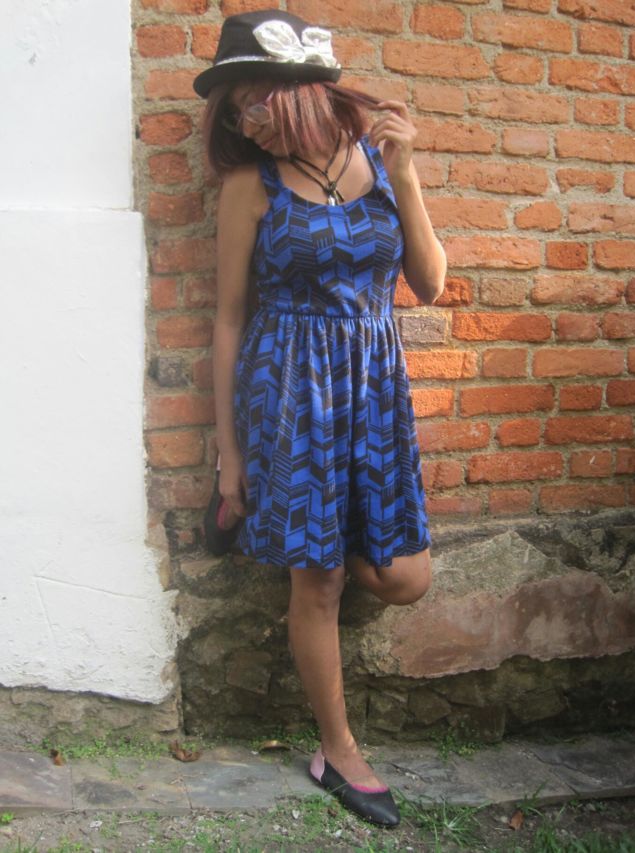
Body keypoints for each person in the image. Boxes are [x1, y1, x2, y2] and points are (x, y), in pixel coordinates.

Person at [193, 8, 447, 828]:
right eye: (235, 107)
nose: (244, 119)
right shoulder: (250, 186)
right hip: (292, 391)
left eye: (253, 99)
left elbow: (431, 283)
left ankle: (326, 544)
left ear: (298, 91)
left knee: (405, 575)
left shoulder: (378, 158)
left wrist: (406, 174)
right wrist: (231, 456)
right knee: (321, 577)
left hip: (372, 387)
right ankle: (337, 749)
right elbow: (229, 320)